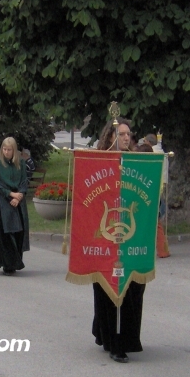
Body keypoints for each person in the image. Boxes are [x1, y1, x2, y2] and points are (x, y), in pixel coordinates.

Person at [92, 117, 145, 363]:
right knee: (108, 290)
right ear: (111, 137)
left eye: (128, 134)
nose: (126, 137)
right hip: (107, 236)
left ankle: (126, 338)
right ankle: (113, 342)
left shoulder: (138, 162)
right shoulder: (98, 161)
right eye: (121, 134)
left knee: (132, 288)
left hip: (131, 238)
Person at [0, 137, 30, 276]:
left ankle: (16, 261)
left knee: (19, 231)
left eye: (9, 150)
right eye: (4, 149)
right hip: (3, 200)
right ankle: (8, 263)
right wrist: (10, 194)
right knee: (6, 233)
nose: (6, 152)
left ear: (14, 150)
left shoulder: (21, 164)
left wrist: (19, 195)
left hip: (18, 200)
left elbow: (25, 182)